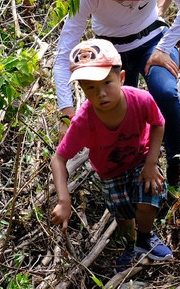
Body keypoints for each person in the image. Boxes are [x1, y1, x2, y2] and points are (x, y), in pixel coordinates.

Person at [54, 0, 180, 188]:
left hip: (153, 42)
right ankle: (132, 171)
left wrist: (164, 48)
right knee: (121, 113)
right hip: (112, 52)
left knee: (165, 93)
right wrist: (66, 110)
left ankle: (175, 166)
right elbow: (65, 50)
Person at [50, 38, 173, 272]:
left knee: (148, 199)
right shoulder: (84, 121)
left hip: (140, 159)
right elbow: (59, 158)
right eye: (91, 88)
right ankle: (131, 245)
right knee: (123, 212)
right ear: (83, 89)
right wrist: (64, 201)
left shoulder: (140, 100)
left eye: (107, 82)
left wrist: (151, 163)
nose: (101, 94)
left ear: (122, 78)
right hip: (110, 172)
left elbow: (159, 124)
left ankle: (146, 238)